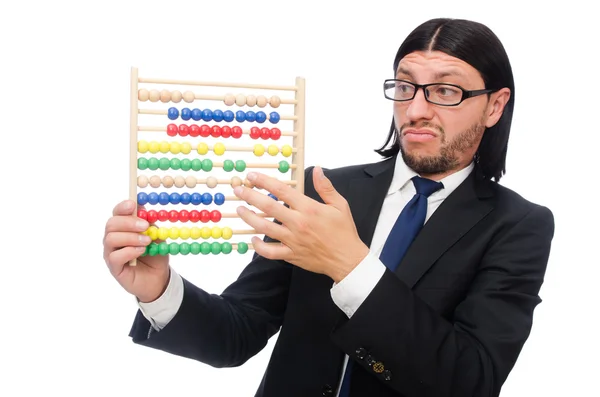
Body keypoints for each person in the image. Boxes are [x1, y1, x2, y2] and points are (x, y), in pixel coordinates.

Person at [103, 17, 555, 397]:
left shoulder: (518, 226)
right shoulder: (320, 192)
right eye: (405, 87)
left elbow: (470, 381)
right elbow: (237, 334)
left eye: (445, 91)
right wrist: (159, 289)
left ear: (494, 106)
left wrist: (351, 264)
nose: (416, 109)